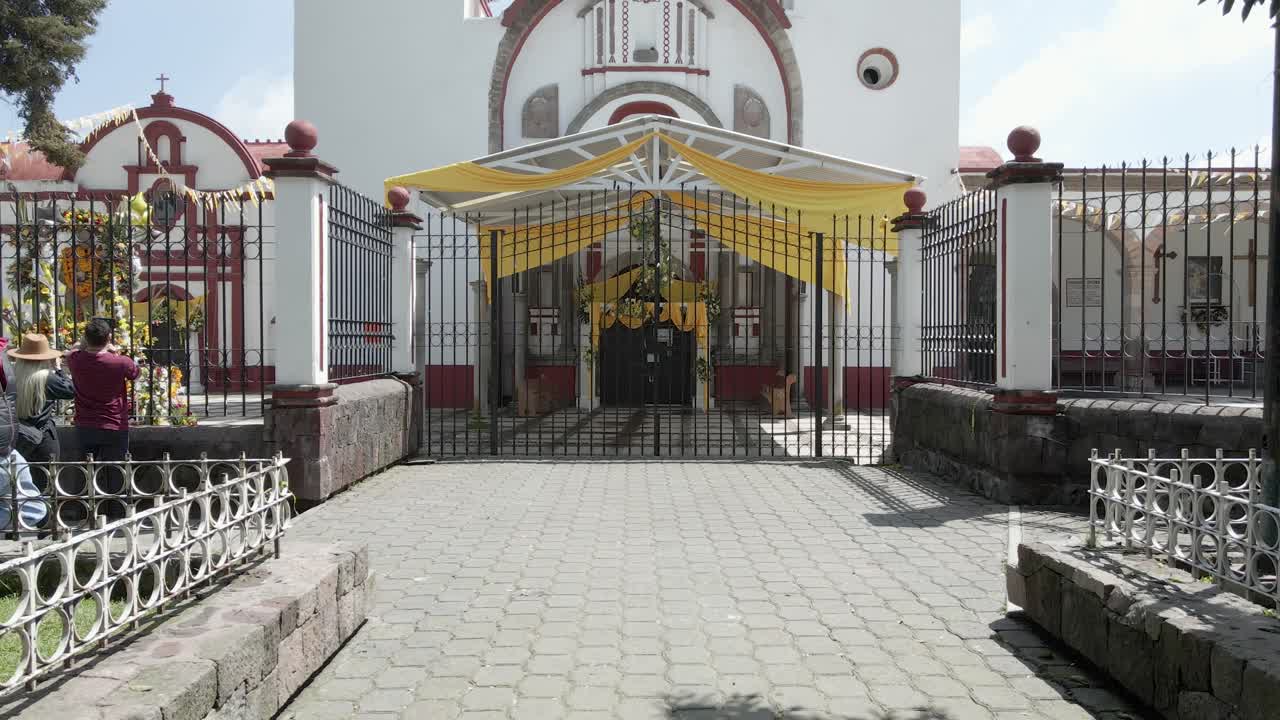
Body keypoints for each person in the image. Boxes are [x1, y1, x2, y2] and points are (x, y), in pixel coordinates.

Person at [65, 318, 139, 461]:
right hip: (114, 425)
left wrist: (82, 344)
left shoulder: (75, 359)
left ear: (86, 338)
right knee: (117, 475)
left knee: (86, 474)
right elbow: (136, 375)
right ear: (109, 337)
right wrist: (115, 354)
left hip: (85, 425)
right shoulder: (121, 362)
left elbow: (73, 350)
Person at [9, 334, 75, 463]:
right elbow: (71, 391)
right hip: (43, 437)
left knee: (17, 478)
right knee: (46, 479)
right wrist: (59, 369)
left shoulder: (11, 375)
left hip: (17, 436)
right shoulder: (47, 378)